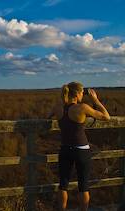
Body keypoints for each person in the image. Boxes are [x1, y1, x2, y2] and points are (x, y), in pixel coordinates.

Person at [49, 82, 110, 211]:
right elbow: (106, 116)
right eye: (82, 92)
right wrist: (95, 100)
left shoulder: (58, 107)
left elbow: (47, 118)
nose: (83, 94)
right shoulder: (82, 108)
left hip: (65, 149)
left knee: (63, 185)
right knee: (83, 186)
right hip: (81, 150)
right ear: (76, 94)